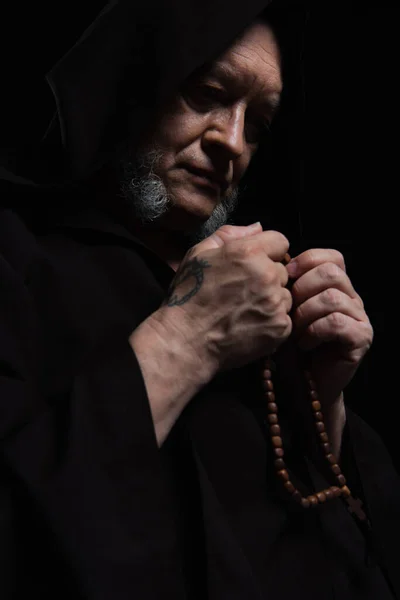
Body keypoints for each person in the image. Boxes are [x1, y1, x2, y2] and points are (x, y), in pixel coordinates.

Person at [0, 1, 399, 599]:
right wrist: (190, 337)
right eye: (209, 92)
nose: (232, 141)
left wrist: (323, 404)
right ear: (134, 81)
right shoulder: (17, 255)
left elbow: (353, 550)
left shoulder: (265, 303)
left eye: (258, 123)